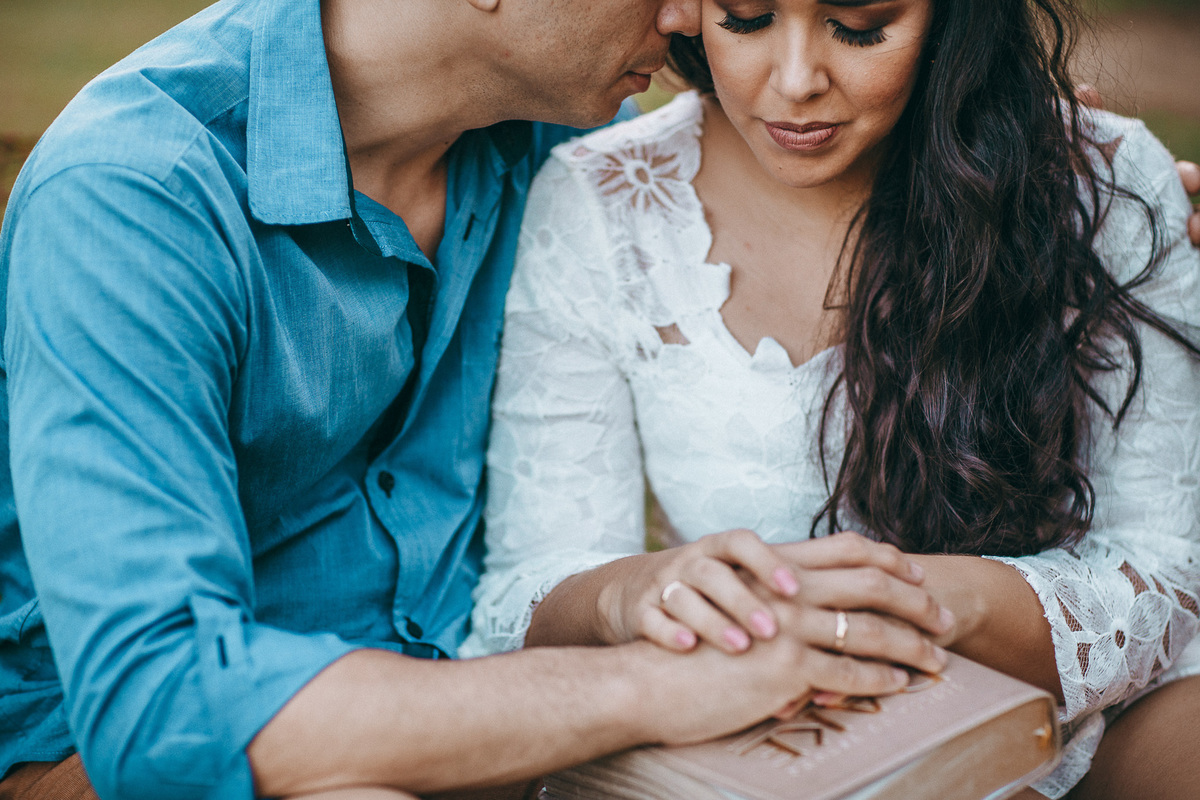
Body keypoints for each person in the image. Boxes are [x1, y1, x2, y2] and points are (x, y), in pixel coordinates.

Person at [0, 1, 999, 798]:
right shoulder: (136, 195)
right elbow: (160, 710)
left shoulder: (567, 148)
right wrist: (653, 684)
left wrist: (1031, 193)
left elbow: (806, 190)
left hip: (504, 719)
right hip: (142, 753)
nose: (694, 16)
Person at [463, 0, 1200, 798]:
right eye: (745, 19)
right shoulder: (602, 201)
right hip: (791, 738)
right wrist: (632, 592)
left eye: (859, 25)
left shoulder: (1103, 178)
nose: (794, 82)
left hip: (1106, 708)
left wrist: (910, 602)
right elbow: (523, 594)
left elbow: (1168, 574)